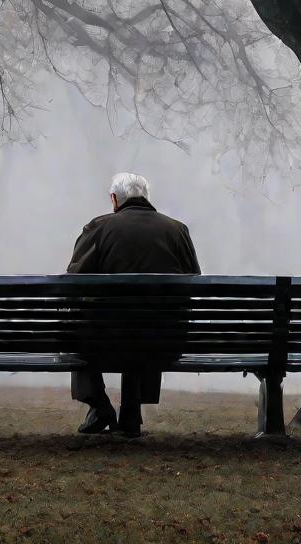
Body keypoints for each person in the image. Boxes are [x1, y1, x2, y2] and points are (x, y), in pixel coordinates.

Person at [66, 172, 201, 437]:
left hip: (107, 342)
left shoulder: (98, 228)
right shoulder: (177, 230)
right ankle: (131, 413)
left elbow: (73, 282)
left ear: (115, 200)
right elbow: (193, 281)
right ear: (146, 198)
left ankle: (99, 404)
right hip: (164, 342)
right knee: (146, 325)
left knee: (78, 328)